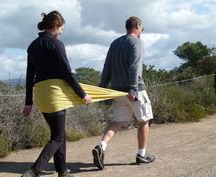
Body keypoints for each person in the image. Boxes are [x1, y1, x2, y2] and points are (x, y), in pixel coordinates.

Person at [22, 10, 92, 177]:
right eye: (61, 29)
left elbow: (29, 76)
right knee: (58, 137)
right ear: (56, 26)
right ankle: (35, 170)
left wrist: (28, 102)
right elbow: (67, 72)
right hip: (55, 94)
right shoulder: (56, 43)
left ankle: (62, 171)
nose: (61, 32)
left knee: (58, 134)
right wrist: (83, 94)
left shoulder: (32, 46)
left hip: (41, 95)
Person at [92, 16, 155, 170]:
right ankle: (141, 154)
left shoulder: (115, 43)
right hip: (134, 90)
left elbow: (107, 66)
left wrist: (103, 88)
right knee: (144, 120)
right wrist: (133, 88)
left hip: (116, 91)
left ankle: (102, 145)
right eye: (142, 28)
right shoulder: (137, 42)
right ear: (138, 26)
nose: (142, 31)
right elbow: (134, 66)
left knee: (117, 122)